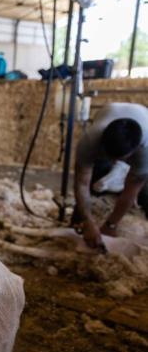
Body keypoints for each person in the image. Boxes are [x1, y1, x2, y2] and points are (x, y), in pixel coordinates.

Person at [73, 102, 148, 249]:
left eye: (118, 159)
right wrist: (87, 220)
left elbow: (130, 191)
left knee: (145, 192)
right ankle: (81, 220)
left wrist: (111, 224)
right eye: (110, 156)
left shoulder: (145, 151)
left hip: (144, 124)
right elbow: (81, 183)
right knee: (96, 175)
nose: (114, 161)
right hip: (108, 113)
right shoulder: (90, 140)